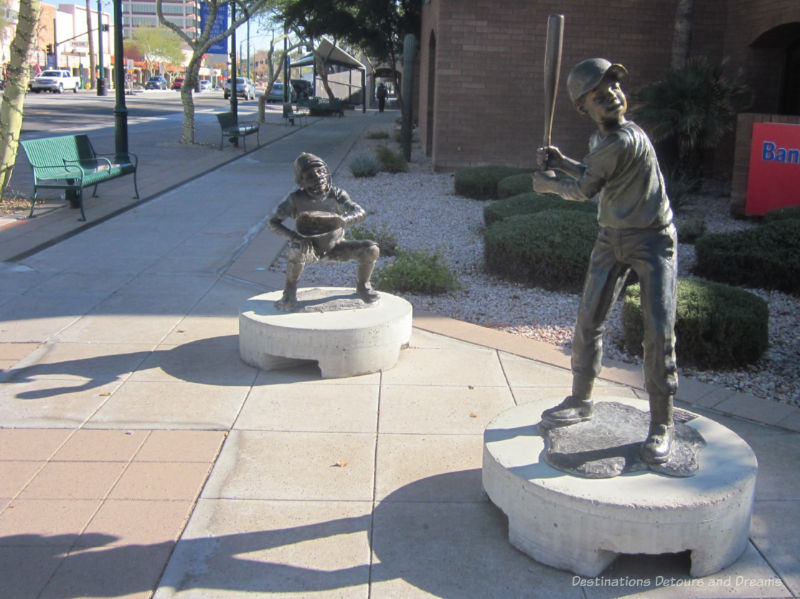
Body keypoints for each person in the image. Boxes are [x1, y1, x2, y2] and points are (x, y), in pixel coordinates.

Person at [533, 58, 678, 465]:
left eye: (613, 87)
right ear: (585, 109)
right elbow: (593, 173)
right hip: (610, 237)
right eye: (599, 95)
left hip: (652, 241)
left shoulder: (623, 140)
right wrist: (561, 162)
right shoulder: (604, 141)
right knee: (588, 319)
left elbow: (584, 189)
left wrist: (547, 184)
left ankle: (661, 424)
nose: (611, 95)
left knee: (658, 332)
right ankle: (581, 399)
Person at [269, 152, 380, 311]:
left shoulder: (337, 194)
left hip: (336, 246)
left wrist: (345, 220)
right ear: (301, 180)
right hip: (309, 247)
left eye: (321, 172)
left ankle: (363, 285)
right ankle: (290, 291)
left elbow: (360, 211)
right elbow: (273, 222)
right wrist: (296, 238)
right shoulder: (295, 199)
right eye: (310, 176)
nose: (318, 178)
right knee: (295, 252)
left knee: (371, 249)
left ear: (327, 174)